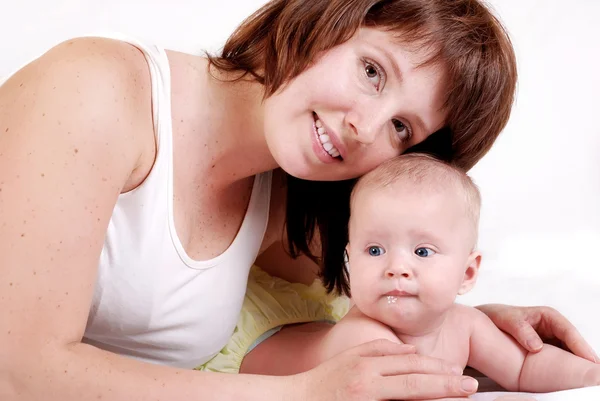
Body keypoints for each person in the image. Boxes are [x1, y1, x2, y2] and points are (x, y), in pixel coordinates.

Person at [0, 0, 595, 400]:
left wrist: (453, 328)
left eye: (404, 129)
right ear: (328, 13)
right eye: (372, 71)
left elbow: (321, 333)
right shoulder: (96, 90)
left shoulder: (288, 195)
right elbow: (18, 369)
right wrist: (300, 396)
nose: (366, 128)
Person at [226, 154, 600, 396]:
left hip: (308, 323)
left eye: (422, 252)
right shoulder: (366, 339)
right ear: (350, 260)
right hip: (252, 348)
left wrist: (589, 376)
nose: (396, 267)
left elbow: (525, 366)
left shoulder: (465, 324)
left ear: (467, 272)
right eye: (374, 251)